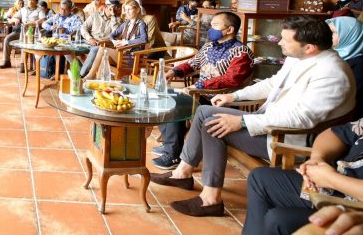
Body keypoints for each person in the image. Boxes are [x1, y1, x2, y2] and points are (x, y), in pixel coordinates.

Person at [151, 16, 355, 217]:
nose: (280, 42)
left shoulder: (332, 74)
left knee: (212, 124)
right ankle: (182, 173)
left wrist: (241, 120)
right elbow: (272, 83)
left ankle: (210, 199)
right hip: (267, 119)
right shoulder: (300, 57)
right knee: (205, 112)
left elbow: (302, 119)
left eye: (285, 39)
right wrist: (234, 95)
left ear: (309, 47)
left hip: (286, 137)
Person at [152, 12, 255, 170]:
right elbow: (192, 63)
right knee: (163, 96)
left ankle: (173, 154)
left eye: (215, 25)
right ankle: (169, 143)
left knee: (177, 104)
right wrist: (175, 71)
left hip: (220, 99)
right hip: (199, 93)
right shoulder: (208, 47)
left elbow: (231, 79)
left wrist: (199, 86)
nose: (210, 29)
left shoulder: (241, 52)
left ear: (229, 30)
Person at [243, 118, 363, 234]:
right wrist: (318, 158)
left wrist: (330, 179)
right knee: (261, 178)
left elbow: (300, 115)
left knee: (278, 220)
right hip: (332, 182)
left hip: (353, 202)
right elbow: (336, 133)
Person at [85, 0, 148, 79]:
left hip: (131, 57)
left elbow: (144, 39)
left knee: (102, 50)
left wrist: (126, 42)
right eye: (126, 10)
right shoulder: (126, 23)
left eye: (129, 9)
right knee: (103, 58)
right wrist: (114, 41)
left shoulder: (141, 24)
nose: (127, 12)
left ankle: (89, 76)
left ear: (137, 10)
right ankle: (99, 81)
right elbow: (112, 35)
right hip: (122, 54)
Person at [326, 17, 363, 117]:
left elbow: (348, 98)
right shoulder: (334, 55)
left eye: (333, 32)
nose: (327, 35)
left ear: (350, 36)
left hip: (344, 118)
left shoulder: (359, 66)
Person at [78, 0, 123, 78]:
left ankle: (81, 76)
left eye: (117, 7)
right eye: (113, 7)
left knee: (96, 49)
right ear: (106, 6)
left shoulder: (118, 21)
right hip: (89, 42)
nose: (116, 9)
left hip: (103, 45)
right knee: (67, 50)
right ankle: (80, 70)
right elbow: (83, 27)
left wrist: (113, 17)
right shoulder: (95, 15)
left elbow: (116, 35)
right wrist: (90, 38)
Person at [0, 0, 40, 70]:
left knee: (24, 42)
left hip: (33, 33)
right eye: (29, 0)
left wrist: (32, 23)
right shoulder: (23, 9)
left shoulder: (39, 10)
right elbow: (12, 19)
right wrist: (15, 19)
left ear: (37, 2)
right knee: (7, 39)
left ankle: (23, 65)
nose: (30, 2)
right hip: (21, 31)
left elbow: (43, 20)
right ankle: (6, 61)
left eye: (32, 0)